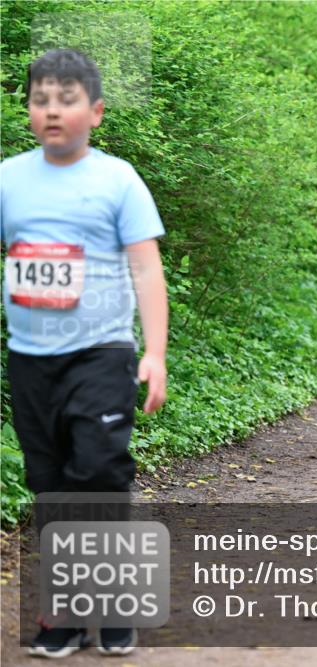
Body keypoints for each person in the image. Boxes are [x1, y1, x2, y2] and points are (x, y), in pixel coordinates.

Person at [1, 48, 168, 658]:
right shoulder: (8, 178)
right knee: (50, 485)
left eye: (66, 100)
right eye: (40, 99)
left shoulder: (118, 180)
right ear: (28, 111)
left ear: (94, 112)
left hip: (101, 352)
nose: (52, 110)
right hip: (29, 359)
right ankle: (70, 613)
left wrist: (155, 353)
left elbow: (147, 271)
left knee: (96, 471)